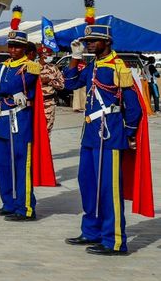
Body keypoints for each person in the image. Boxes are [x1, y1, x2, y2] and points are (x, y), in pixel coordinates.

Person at [62, 24, 145, 255]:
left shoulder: (118, 67)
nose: (89, 44)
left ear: (107, 42)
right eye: (88, 41)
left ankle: (114, 240)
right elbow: (70, 84)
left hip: (109, 135)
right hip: (90, 135)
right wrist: (74, 57)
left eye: (93, 41)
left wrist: (128, 134)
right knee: (87, 184)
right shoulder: (93, 65)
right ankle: (91, 231)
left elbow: (134, 108)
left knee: (109, 190)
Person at [0, 30, 40, 221]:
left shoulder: (29, 67)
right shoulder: (2, 66)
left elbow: (12, 85)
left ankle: (25, 207)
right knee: (4, 165)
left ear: (24, 48)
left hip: (20, 121)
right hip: (2, 121)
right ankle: (8, 203)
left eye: (17, 46)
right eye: (11, 46)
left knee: (21, 165)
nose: (13, 49)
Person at [35, 45, 65, 134]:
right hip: (35, 103)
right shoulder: (32, 67)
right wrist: (40, 81)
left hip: (48, 103)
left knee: (46, 131)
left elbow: (62, 85)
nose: (50, 57)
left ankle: (46, 148)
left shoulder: (53, 68)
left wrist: (50, 81)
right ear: (42, 55)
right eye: (48, 55)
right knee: (34, 132)